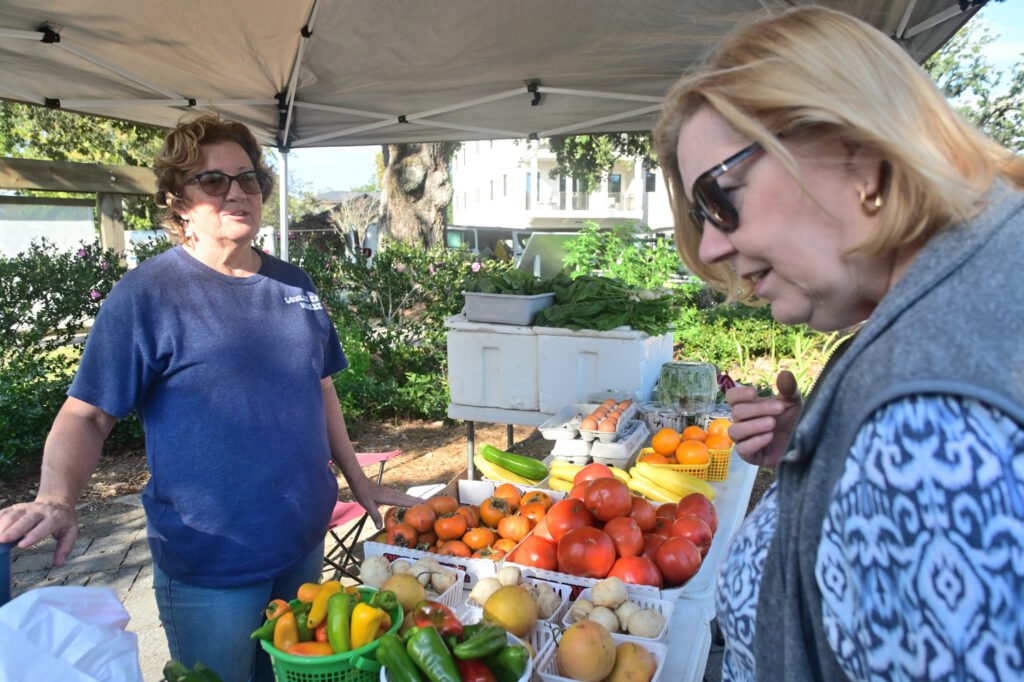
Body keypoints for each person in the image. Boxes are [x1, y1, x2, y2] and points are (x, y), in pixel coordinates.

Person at [654, 6, 1024, 681]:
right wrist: (823, 448)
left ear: (855, 147)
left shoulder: (921, 436)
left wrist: (876, 438)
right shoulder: (981, 280)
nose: (710, 245)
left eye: (722, 194)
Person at [0, 114, 421, 682]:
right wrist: (56, 496)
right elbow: (87, 414)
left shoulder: (296, 285)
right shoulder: (147, 295)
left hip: (300, 544)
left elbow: (320, 390)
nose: (237, 192)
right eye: (213, 181)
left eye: (248, 179)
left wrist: (358, 480)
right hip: (211, 563)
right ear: (178, 202)